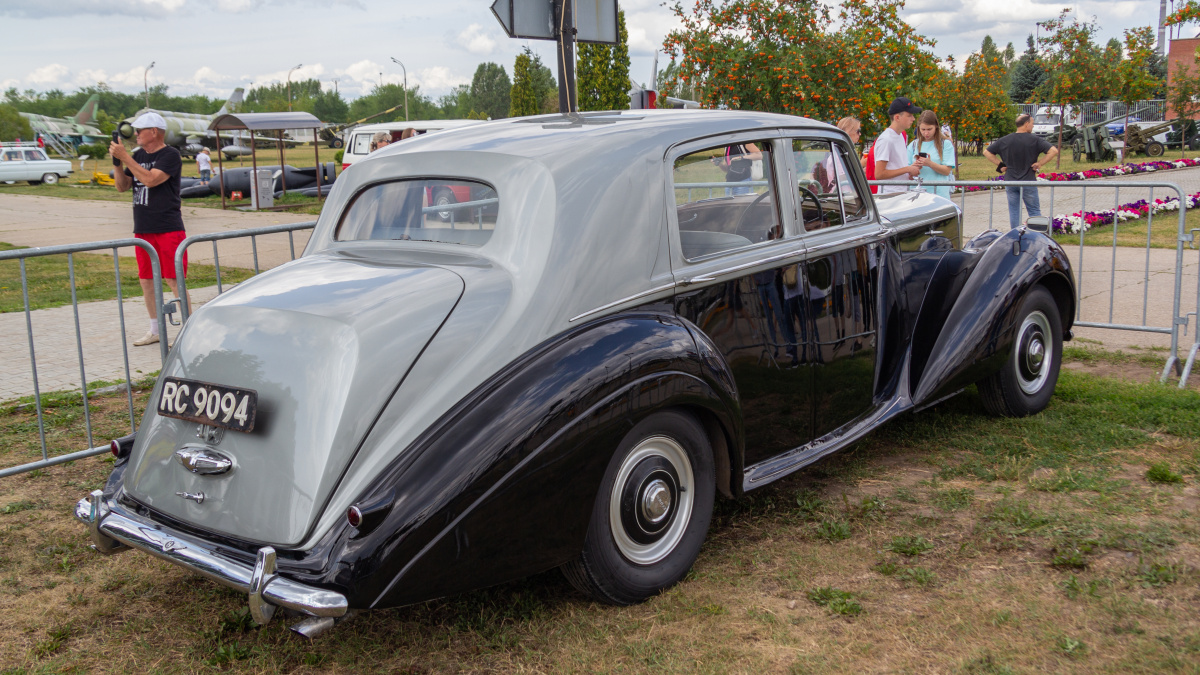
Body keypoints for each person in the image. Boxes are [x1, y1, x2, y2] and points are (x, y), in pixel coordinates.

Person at [110, 111, 190, 347]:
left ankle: (187, 329)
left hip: (167, 227)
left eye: (139, 130)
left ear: (153, 132)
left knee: (174, 279)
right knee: (146, 280)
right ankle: (155, 329)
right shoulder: (137, 155)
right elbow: (122, 187)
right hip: (143, 229)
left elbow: (151, 180)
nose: (135, 134)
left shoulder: (170, 155)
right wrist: (118, 163)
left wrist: (126, 157)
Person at [983, 113, 1059, 229]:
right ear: (1027, 124)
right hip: (1028, 181)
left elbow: (986, 152)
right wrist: (1040, 164)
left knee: (1014, 212)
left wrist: (1000, 165)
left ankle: (1016, 236)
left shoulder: (1005, 140)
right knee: (1034, 211)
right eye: (1032, 124)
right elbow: (1053, 151)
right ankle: (1036, 236)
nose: (1033, 127)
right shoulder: (1035, 140)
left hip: (1010, 181)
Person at [872, 97, 922, 195]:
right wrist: (907, 169)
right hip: (889, 197)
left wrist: (909, 171)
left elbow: (895, 167)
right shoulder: (886, 139)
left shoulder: (900, 136)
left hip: (899, 194)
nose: (913, 119)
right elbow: (879, 174)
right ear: (897, 117)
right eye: (909, 115)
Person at [907, 110, 955, 198]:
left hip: (938, 195)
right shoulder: (913, 145)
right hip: (917, 194)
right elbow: (907, 173)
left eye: (929, 129)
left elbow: (947, 171)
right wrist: (913, 168)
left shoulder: (945, 144)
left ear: (936, 127)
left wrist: (930, 163)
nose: (926, 133)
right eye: (923, 129)